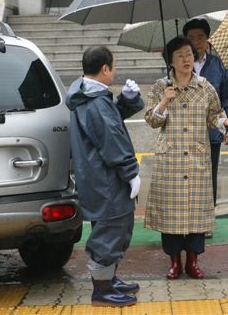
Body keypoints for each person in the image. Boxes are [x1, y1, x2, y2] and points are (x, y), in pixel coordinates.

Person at [144, 36, 228, 280]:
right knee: (172, 215)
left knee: (197, 214)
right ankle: (174, 263)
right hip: (171, 161)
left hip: (198, 160)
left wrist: (226, 125)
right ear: (171, 61)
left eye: (189, 54)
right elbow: (152, 120)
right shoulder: (161, 87)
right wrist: (164, 101)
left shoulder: (205, 87)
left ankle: (193, 261)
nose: (186, 59)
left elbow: (215, 115)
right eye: (180, 55)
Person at [66, 46, 143, 307]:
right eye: (115, 67)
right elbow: (111, 138)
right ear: (105, 69)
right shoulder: (95, 102)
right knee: (112, 229)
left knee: (108, 227)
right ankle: (102, 289)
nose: (115, 72)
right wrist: (131, 172)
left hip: (97, 178)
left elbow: (110, 120)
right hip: (106, 180)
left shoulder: (89, 95)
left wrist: (126, 100)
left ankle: (109, 279)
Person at [183, 18, 228, 238]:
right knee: (185, 175)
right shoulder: (178, 65)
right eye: (191, 38)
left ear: (208, 40)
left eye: (200, 37)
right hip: (184, 133)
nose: (196, 42)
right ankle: (185, 219)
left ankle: (205, 220)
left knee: (208, 175)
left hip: (212, 132)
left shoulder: (218, 65)